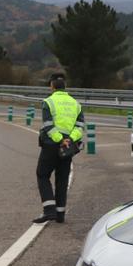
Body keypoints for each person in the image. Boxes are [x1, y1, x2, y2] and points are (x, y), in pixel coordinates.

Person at [33, 73, 84, 224]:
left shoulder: (49, 102)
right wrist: (69, 140)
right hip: (68, 147)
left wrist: (60, 139)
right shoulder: (76, 104)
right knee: (62, 179)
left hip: (51, 145)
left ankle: (49, 211)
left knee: (42, 175)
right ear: (65, 87)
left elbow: (48, 125)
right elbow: (80, 127)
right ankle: (60, 214)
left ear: (52, 87)